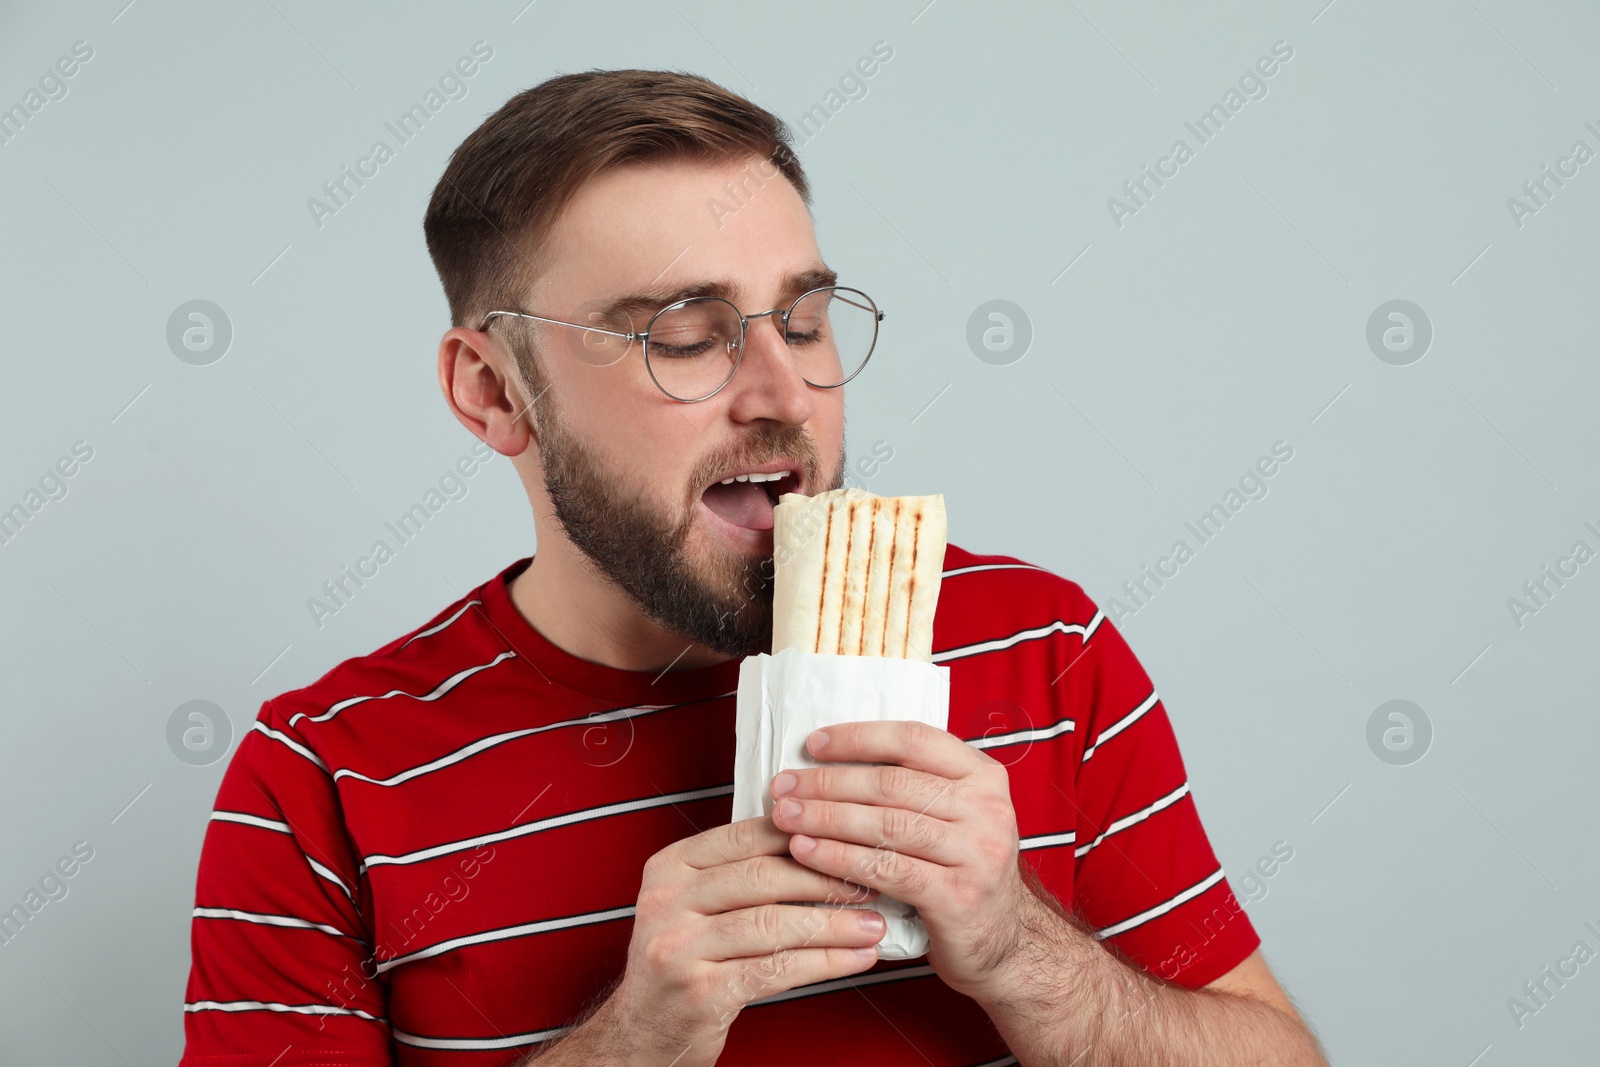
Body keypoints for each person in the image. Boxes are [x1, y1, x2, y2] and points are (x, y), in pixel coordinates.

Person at [179, 68, 1328, 1066]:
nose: (786, 395)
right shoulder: (322, 779)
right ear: (492, 389)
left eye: (807, 319)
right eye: (685, 334)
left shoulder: (1039, 645)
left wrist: (1024, 953)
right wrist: (634, 1037)